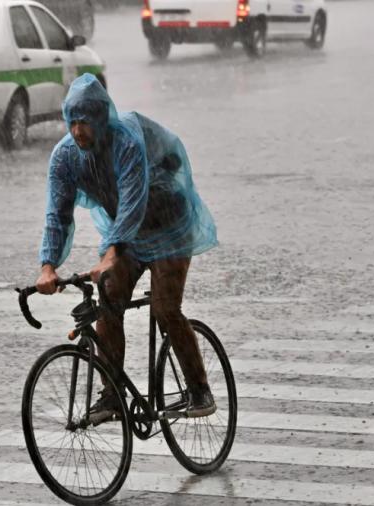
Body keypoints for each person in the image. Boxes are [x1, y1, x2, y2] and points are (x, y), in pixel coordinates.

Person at [34, 73, 219, 420]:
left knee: (165, 308)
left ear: (102, 119)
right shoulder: (64, 157)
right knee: (107, 302)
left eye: (85, 123)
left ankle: (199, 389)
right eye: (72, 123)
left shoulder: (126, 142)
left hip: (168, 225)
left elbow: (133, 202)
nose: (78, 131)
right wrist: (48, 266)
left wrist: (111, 254)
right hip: (127, 235)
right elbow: (57, 215)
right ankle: (112, 394)